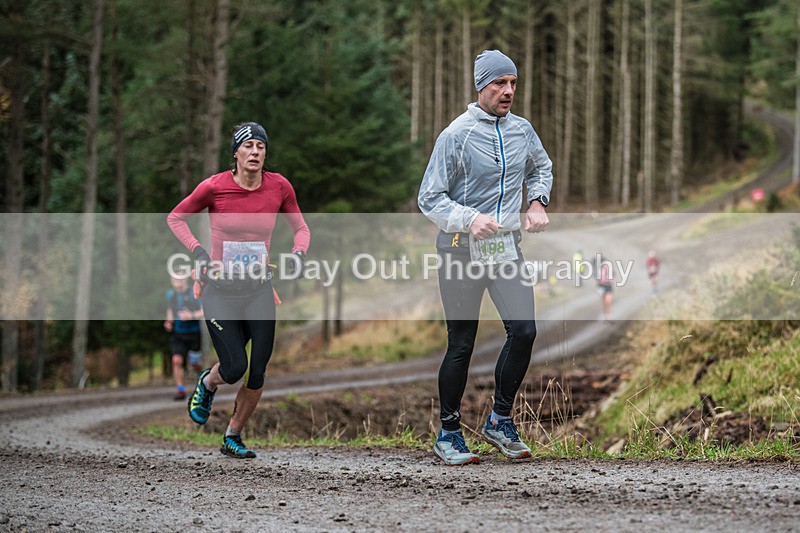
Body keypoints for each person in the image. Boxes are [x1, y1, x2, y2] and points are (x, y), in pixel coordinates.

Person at [418, 50, 553, 466]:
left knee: (524, 331)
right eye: (499, 83)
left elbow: (541, 167)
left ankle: (500, 420)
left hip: (505, 247)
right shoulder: (456, 135)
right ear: (481, 86)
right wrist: (469, 218)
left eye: (513, 83)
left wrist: (537, 200)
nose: (508, 91)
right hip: (460, 249)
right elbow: (429, 197)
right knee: (461, 344)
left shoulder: (522, 130)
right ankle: (449, 433)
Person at [167, 121, 310, 459]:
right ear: (235, 153)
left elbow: (301, 227)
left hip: (258, 291)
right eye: (248, 146)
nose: (255, 152)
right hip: (221, 291)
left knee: (257, 369)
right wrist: (199, 252)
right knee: (233, 368)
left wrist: (298, 253)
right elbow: (175, 217)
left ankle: (233, 434)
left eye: (261, 146)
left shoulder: (279, 187)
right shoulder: (214, 187)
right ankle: (207, 383)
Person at [164, 275, 204, 400]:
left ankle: (205, 383)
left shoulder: (194, 293)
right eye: (176, 279)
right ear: (172, 281)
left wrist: (191, 315)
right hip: (178, 333)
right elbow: (170, 310)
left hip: (194, 333)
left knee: (195, 364)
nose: (178, 281)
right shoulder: (170, 294)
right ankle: (180, 390)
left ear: (186, 280)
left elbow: (204, 310)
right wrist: (169, 322)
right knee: (177, 360)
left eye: (180, 278)